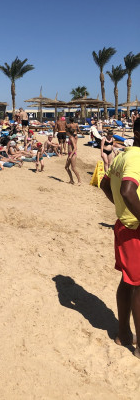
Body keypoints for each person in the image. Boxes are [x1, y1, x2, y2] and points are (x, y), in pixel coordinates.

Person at [100, 118, 140, 358]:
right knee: (138, 285)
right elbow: (127, 190)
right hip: (135, 229)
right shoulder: (137, 157)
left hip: (124, 225)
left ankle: (123, 334)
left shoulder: (123, 155)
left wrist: (121, 209)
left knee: (128, 281)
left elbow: (105, 184)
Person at [65, 120, 81, 185]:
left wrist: (71, 155)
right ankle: (71, 180)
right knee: (66, 167)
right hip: (70, 154)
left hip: (72, 154)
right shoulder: (70, 138)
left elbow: (75, 148)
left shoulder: (71, 138)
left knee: (73, 168)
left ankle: (79, 181)